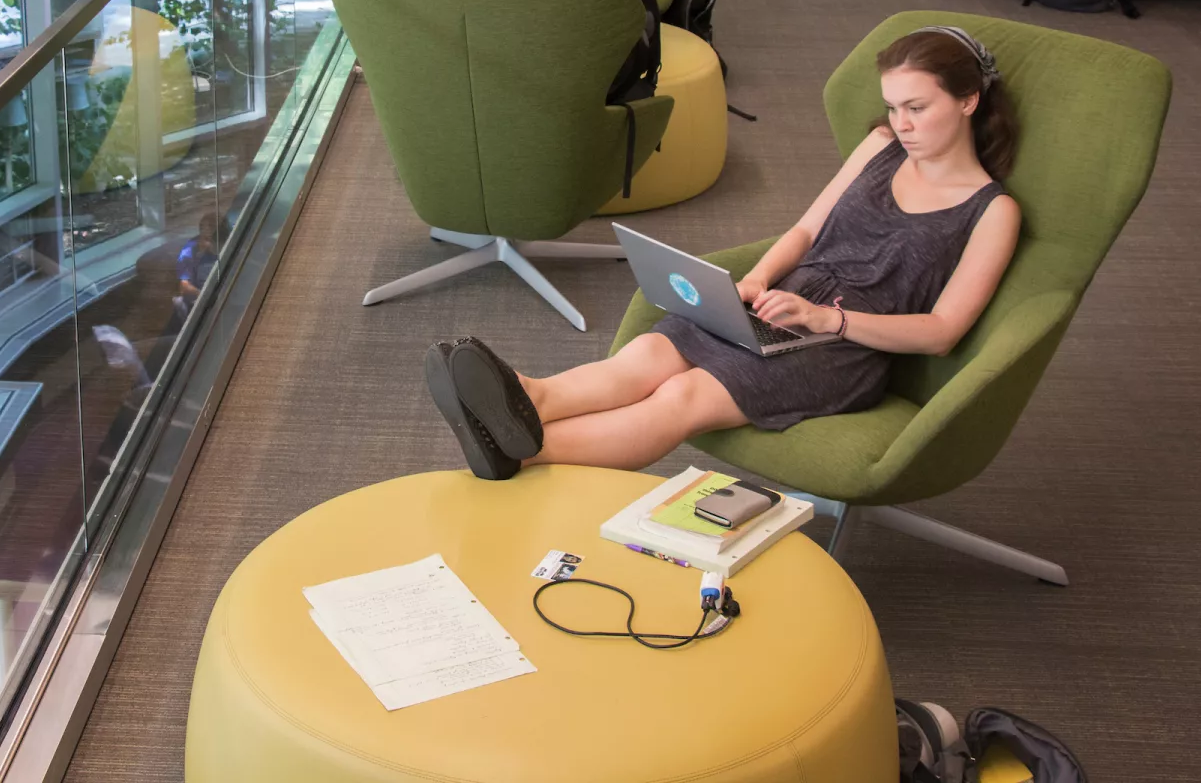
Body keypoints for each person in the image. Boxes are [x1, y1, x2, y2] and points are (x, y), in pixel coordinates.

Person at [422, 26, 1023, 479]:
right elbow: (805, 233)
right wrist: (754, 283)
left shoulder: (991, 210)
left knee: (682, 396)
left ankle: (517, 453)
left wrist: (826, 320)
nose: (903, 122)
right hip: (779, 306)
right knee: (644, 359)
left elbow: (942, 332)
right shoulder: (881, 145)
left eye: (917, 108)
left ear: (968, 101)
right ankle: (528, 397)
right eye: (894, 106)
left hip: (843, 349)